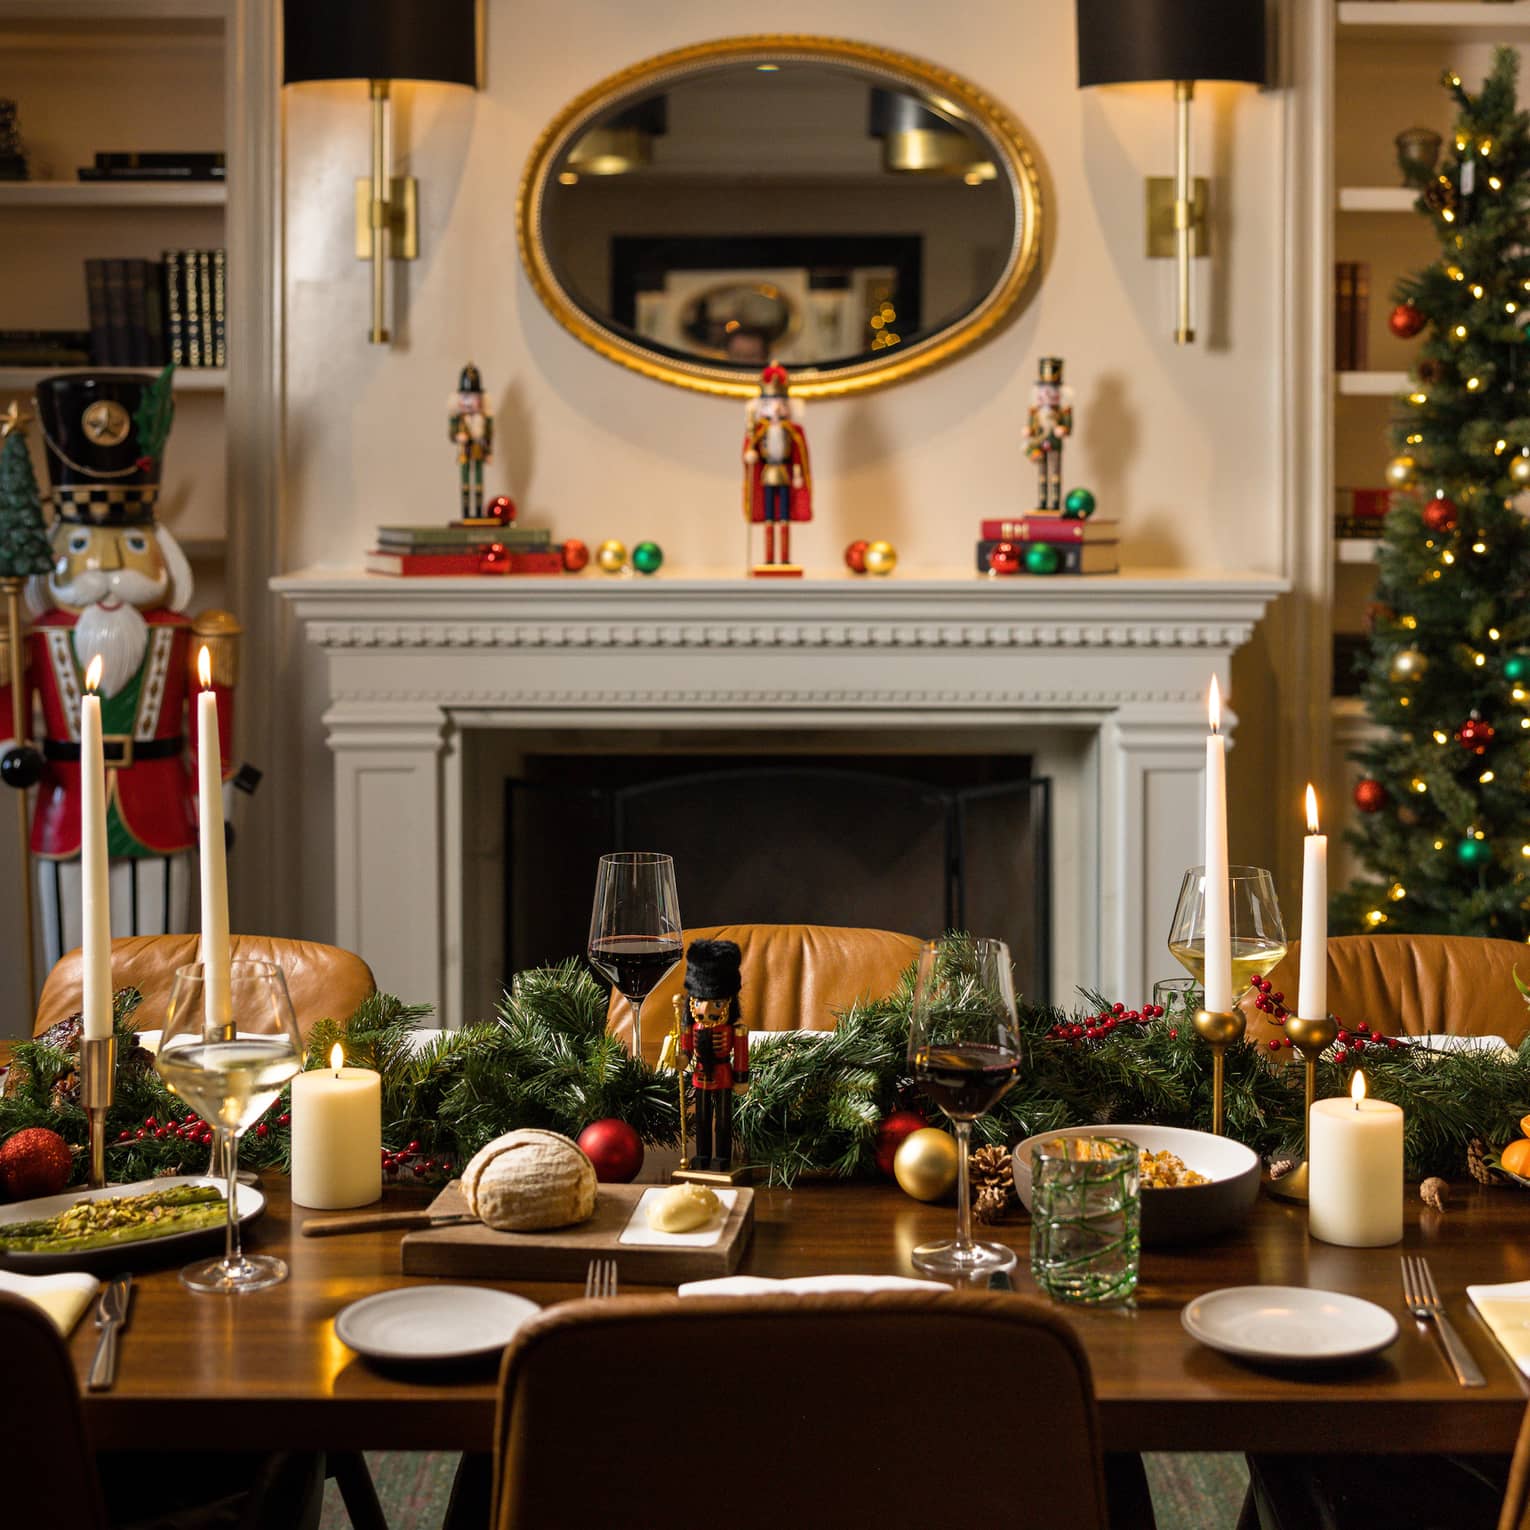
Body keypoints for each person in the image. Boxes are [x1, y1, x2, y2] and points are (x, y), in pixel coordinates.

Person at [0, 371, 237, 964]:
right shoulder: (35, 634)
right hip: (65, 810)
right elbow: (9, 711)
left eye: (131, 547)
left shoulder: (187, 633)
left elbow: (215, 730)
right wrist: (11, 751)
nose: (106, 570)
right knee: (69, 961)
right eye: (81, 548)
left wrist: (219, 804)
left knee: (160, 956)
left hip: (160, 809)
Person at [679, 938, 750, 1172]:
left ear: (728, 1002)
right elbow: (686, 1050)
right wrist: (681, 1059)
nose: (706, 1009)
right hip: (700, 1076)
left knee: (723, 1121)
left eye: (716, 1003)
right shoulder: (691, 1028)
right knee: (701, 1119)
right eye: (700, 1002)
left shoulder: (735, 1031)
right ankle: (702, 1155)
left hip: (723, 1076)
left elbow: (741, 1056)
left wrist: (741, 1079)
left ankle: (722, 1157)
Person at [742, 362, 811, 574]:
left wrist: (798, 474)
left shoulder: (792, 430)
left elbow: (798, 454)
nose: (776, 407)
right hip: (767, 473)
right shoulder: (758, 430)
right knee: (769, 516)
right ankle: (769, 559)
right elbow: (750, 449)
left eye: (780, 402)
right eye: (771, 402)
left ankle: (785, 559)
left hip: (784, 473)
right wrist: (750, 455)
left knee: (784, 516)